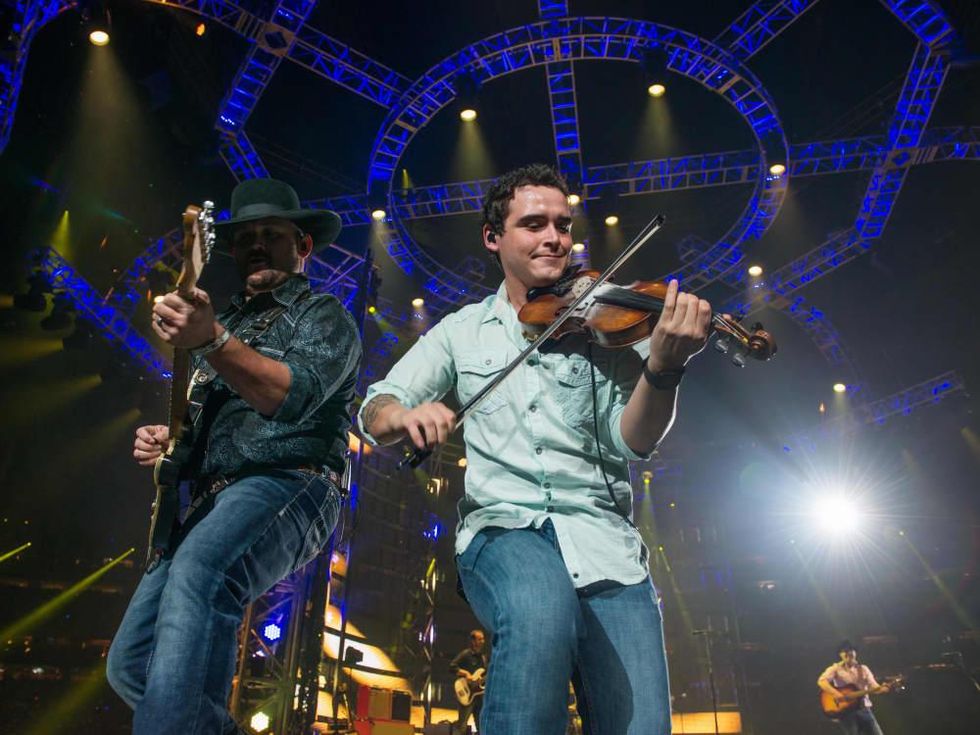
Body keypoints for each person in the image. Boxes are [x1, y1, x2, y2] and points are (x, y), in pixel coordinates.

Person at [358, 163, 717, 734]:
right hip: (504, 532)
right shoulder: (461, 331)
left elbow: (635, 440)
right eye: (533, 224)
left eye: (562, 224)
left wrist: (666, 367)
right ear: (493, 237)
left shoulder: (604, 319)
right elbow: (378, 405)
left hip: (605, 545)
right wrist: (405, 414)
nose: (555, 237)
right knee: (540, 609)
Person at [106, 178, 362, 734]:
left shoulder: (323, 315)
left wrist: (212, 340)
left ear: (303, 246)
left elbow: (285, 397)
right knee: (132, 664)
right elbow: (210, 423)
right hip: (208, 500)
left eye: (273, 234)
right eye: (246, 237)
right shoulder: (230, 321)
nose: (257, 245)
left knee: (202, 571)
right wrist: (170, 441)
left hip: (290, 484)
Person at [818, 640, 892, 735]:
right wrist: (837, 694)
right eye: (844, 651)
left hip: (864, 709)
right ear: (840, 654)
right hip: (847, 713)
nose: (848, 653)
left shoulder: (864, 669)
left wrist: (883, 688)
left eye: (850, 650)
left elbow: (874, 687)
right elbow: (821, 681)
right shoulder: (835, 669)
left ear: (855, 653)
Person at [450, 629, 488, 733]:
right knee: (461, 726)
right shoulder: (465, 654)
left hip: (479, 696)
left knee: (481, 726)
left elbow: (484, 675)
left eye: (483, 639)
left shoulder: (483, 658)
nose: (483, 641)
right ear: (473, 641)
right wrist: (466, 674)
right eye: (480, 639)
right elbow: (452, 667)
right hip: (467, 695)